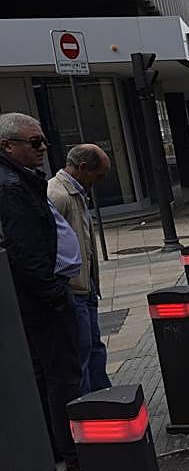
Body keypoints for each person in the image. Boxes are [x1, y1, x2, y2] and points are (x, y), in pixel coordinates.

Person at [0, 112, 81, 471]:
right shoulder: (11, 187)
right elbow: (25, 251)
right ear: (8, 146)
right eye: (35, 142)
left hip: (36, 297)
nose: (44, 148)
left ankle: (56, 446)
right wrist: (55, 293)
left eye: (44, 140)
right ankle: (73, 449)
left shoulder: (18, 179)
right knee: (62, 374)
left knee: (46, 374)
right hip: (41, 300)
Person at [47, 144, 112, 395]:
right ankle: (88, 404)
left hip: (86, 284)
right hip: (73, 287)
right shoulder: (58, 195)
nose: (100, 181)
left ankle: (103, 396)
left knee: (94, 345)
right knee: (81, 350)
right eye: (99, 175)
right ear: (83, 168)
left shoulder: (77, 192)